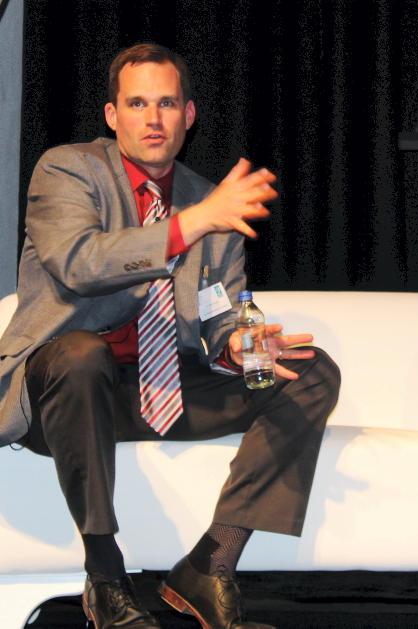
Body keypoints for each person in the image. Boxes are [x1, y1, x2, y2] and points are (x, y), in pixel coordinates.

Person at [0, 43, 340, 629]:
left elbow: (220, 311)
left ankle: (210, 564)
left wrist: (238, 345)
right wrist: (193, 222)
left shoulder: (207, 201)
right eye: (138, 104)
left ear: (189, 115)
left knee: (309, 369)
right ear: (113, 115)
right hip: (65, 393)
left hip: (158, 390)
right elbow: (79, 263)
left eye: (167, 103)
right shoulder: (68, 170)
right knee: (82, 355)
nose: (153, 119)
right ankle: (106, 577)